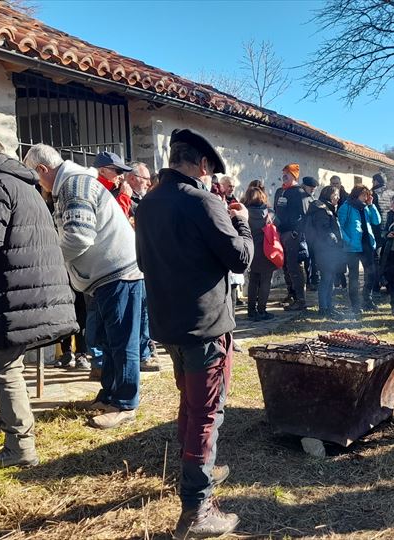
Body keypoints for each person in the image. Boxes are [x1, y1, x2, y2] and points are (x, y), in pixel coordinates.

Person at [135, 128, 252, 539]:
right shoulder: (203, 201)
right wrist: (243, 224)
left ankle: (196, 471)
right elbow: (240, 259)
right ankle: (197, 508)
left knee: (190, 403)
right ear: (202, 164)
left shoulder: (148, 203)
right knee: (206, 413)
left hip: (169, 323)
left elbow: (144, 261)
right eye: (209, 171)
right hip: (205, 326)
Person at [0, 136, 78, 468]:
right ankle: (15, 424)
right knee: (7, 365)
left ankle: (20, 447)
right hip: (30, 288)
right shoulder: (19, 181)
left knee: (4, 366)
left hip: (13, 290)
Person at [25, 144, 144, 430]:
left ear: (42, 169)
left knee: (121, 341)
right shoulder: (72, 183)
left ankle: (125, 404)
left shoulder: (74, 185)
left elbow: (78, 237)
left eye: (35, 177)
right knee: (107, 340)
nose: (37, 184)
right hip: (106, 275)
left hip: (119, 273)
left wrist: (51, 262)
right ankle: (109, 395)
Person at [123, 162, 161, 372]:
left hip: (148, 256)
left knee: (147, 308)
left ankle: (147, 348)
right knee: (138, 310)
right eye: (145, 178)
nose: (148, 182)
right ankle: (142, 353)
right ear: (132, 178)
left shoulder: (146, 198)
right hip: (130, 259)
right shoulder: (124, 197)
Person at [339, 185, 382, 317]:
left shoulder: (366, 207)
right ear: (356, 194)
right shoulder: (346, 207)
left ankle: (367, 300)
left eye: (367, 195)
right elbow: (340, 227)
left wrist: (371, 205)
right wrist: (349, 241)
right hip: (352, 248)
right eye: (364, 195)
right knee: (354, 277)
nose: (366, 197)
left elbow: (377, 221)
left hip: (367, 245)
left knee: (371, 274)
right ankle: (355, 305)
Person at [275, 164, 311, 311]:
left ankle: (300, 300)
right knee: (285, 266)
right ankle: (291, 294)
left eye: (288, 173)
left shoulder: (299, 192)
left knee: (294, 266)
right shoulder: (280, 191)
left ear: (294, 176)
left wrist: (296, 232)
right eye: (283, 172)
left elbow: (306, 215)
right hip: (280, 233)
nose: (284, 175)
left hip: (293, 235)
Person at [306, 185, 344, 319]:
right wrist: (334, 240)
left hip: (329, 249)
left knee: (330, 278)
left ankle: (329, 306)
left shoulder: (328, 208)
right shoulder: (321, 209)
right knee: (326, 279)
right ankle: (324, 308)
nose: (338, 198)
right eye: (336, 195)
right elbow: (323, 230)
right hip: (324, 250)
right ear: (329, 195)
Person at [242, 184, 276, 321]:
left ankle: (251, 310)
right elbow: (278, 224)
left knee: (253, 280)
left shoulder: (244, 213)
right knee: (265, 281)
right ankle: (262, 310)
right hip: (266, 250)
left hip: (251, 249)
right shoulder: (269, 213)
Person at [93, 151, 134, 217]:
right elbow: (114, 218)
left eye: (122, 172)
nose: (122, 177)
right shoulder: (93, 191)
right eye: (118, 171)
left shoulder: (117, 189)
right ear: (102, 171)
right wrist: (124, 197)